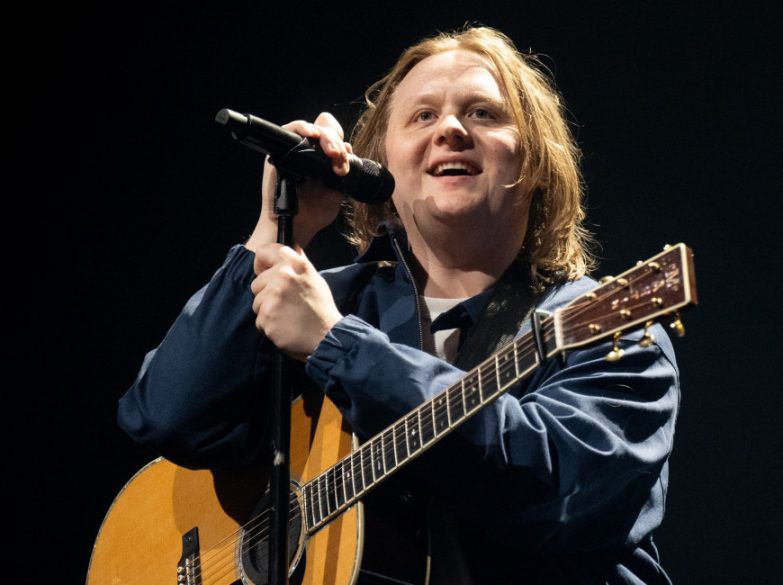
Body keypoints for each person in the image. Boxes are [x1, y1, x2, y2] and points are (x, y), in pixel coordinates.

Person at [118, 26, 680, 584]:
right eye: (422, 116)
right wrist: (275, 230)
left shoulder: (610, 326)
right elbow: (169, 416)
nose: (452, 130)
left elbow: (564, 492)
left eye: (483, 113)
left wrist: (338, 348)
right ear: (381, 166)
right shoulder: (326, 300)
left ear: (535, 162)